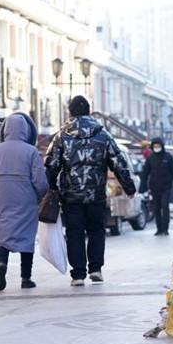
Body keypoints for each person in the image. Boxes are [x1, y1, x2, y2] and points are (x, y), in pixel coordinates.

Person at [44, 96, 135, 286]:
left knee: (74, 232)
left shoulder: (62, 136)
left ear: (69, 112)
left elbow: (51, 164)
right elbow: (118, 162)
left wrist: (51, 187)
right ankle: (95, 269)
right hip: (96, 193)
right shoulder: (103, 135)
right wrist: (128, 187)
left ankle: (77, 274)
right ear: (88, 111)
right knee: (96, 229)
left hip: (71, 194)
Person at [0, 112, 48, 291]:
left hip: (3, 198)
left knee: (2, 236)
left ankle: (2, 263)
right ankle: (26, 278)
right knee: (26, 237)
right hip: (25, 199)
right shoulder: (31, 151)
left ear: (5, 130)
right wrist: (38, 196)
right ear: (26, 131)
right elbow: (40, 182)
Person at [139, 138, 173, 236]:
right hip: (154, 187)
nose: (157, 148)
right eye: (155, 146)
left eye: (158, 146)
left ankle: (165, 228)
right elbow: (145, 174)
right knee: (157, 208)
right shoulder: (150, 158)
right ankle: (159, 229)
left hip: (166, 187)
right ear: (152, 147)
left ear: (162, 146)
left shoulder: (168, 157)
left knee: (165, 206)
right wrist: (143, 187)